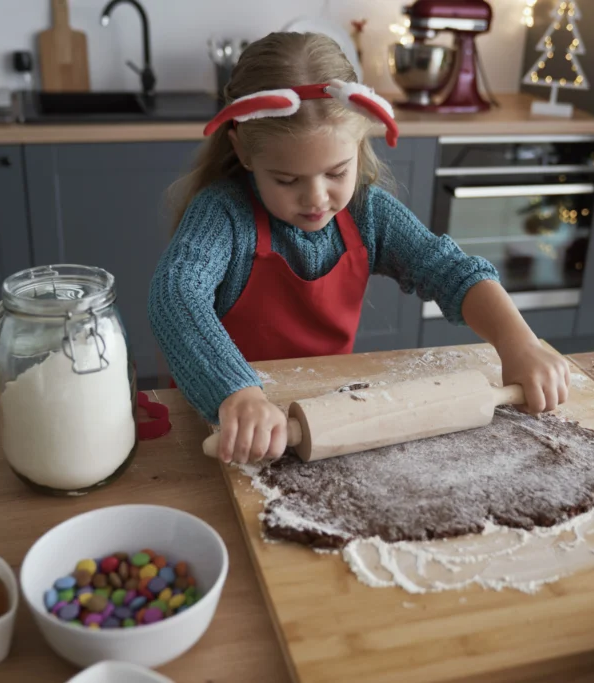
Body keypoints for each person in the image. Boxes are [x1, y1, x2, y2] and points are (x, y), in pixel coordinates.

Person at [148, 32, 569, 465]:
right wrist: (235, 393)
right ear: (243, 150)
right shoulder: (224, 214)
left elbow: (449, 270)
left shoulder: (370, 213)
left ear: (360, 142)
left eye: (336, 172)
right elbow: (175, 295)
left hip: (326, 416)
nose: (316, 198)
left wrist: (518, 341)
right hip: (225, 420)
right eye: (287, 180)